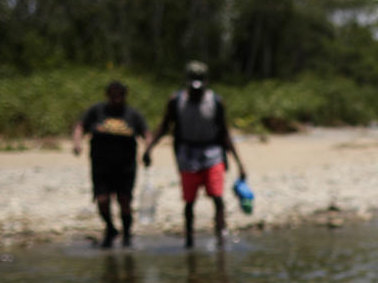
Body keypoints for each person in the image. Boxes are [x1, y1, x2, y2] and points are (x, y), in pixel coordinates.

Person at [143, 61, 247, 249]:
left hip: (213, 153)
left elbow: (224, 133)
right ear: (187, 82)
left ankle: (221, 238)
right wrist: (149, 148)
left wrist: (239, 163)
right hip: (187, 155)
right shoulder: (176, 101)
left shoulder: (216, 101)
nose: (196, 90)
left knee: (217, 197)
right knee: (189, 201)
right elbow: (164, 126)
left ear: (206, 82)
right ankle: (189, 241)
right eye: (193, 86)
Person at [70, 79, 148, 248]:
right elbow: (80, 126)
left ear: (125, 95)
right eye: (113, 95)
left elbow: (146, 133)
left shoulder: (132, 115)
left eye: (120, 95)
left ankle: (127, 234)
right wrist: (77, 143)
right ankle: (110, 228)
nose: (117, 98)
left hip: (125, 167)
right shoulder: (97, 111)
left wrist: (148, 150)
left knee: (124, 201)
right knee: (102, 200)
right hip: (101, 166)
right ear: (108, 95)